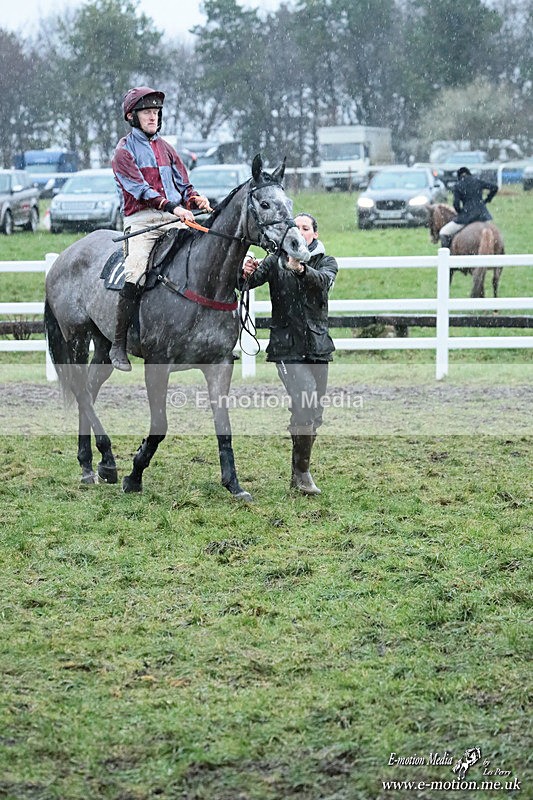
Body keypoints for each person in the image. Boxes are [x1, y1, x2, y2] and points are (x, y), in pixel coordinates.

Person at [110, 86, 211, 371]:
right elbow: (140, 190)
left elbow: (184, 184)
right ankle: (118, 344)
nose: (153, 117)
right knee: (135, 273)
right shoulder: (123, 152)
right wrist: (174, 207)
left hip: (175, 217)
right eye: (147, 112)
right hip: (143, 222)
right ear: (132, 117)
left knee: (207, 257)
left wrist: (194, 198)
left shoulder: (167, 148)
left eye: (156, 112)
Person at [242, 213, 338, 495]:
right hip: (286, 347)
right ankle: (304, 474)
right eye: (295, 228)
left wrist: (300, 269)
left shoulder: (326, 262)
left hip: (318, 347)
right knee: (306, 399)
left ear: (314, 235)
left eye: (305, 228)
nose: (299, 232)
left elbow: (322, 284)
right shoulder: (274, 261)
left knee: (312, 413)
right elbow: (246, 283)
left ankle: (298, 474)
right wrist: (245, 269)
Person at [439, 166, 498, 249]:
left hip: (467, 216)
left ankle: (447, 257)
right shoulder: (477, 181)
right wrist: (487, 199)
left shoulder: (458, 185)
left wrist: (460, 212)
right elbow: (495, 187)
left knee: (444, 232)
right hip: (483, 215)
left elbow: (456, 204)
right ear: (469, 173)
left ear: (459, 176)